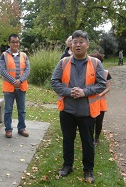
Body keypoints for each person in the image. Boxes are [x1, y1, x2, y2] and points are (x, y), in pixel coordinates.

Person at [51, 30, 106, 183]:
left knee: (87, 142)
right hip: (67, 110)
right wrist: (69, 92)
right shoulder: (64, 62)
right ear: (71, 45)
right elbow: (54, 82)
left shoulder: (96, 63)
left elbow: (102, 84)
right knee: (68, 140)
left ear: (87, 45)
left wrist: (84, 92)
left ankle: (88, 170)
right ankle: (67, 165)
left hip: (87, 111)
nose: (78, 45)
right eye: (75, 42)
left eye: (81, 42)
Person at [0, 34, 30, 138]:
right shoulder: (4, 55)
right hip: (9, 88)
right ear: (9, 43)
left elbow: (27, 70)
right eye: (13, 42)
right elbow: (2, 70)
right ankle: (8, 129)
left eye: (17, 41)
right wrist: (13, 81)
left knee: (22, 109)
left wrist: (20, 81)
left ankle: (22, 128)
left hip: (21, 87)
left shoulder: (24, 56)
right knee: (8, 110)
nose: (15, 44)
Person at [89, 52, 112, 145]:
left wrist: (100, 94)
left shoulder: (105, 73)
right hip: (90, 101)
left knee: (99, 121)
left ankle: (96, 138)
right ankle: (89, 137)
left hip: (100, 101)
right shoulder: (87, 72)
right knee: (89, 120)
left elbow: (108, 87)